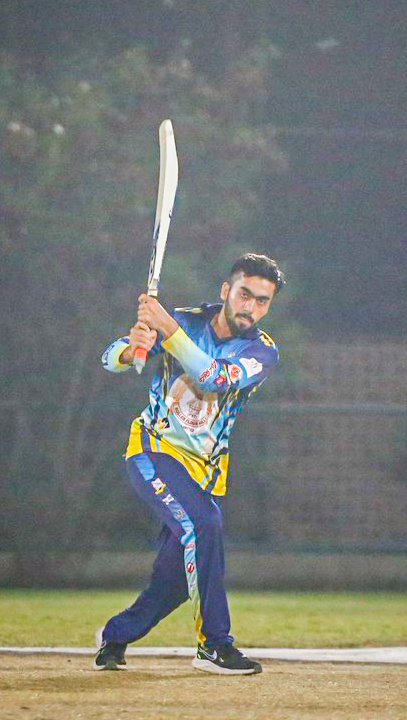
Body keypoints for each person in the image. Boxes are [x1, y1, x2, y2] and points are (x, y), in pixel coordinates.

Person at [95, 253, 285, 675]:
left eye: (262, 301)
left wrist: (167, 329)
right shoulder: (183, 320)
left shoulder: (262, 351)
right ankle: (214, 646)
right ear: (226, 291)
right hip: (153, 451)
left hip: (203, 471)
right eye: (245, 295)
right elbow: (108, 358)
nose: (251, 308)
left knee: (176, 580)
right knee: (205, 524)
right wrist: (131, 348)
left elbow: (213, 377)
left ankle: (115, 635)